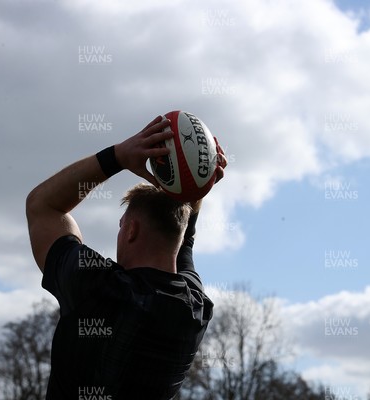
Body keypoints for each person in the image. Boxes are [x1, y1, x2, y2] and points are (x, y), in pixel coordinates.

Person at [26, 115, 227, 399]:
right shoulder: (194, 308)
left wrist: (118, 156)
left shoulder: (98, 288)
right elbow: (184, 239)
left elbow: (42, 207)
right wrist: (196, 182)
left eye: (121, 225)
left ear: (131, 230)